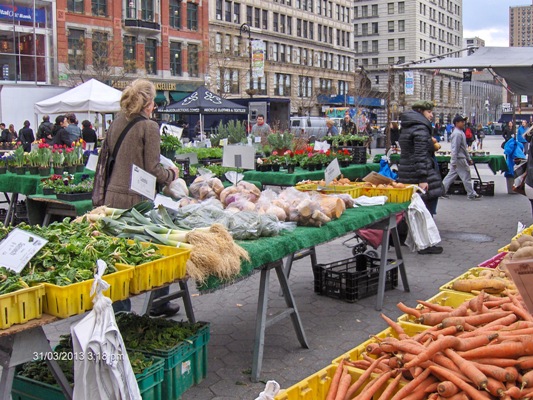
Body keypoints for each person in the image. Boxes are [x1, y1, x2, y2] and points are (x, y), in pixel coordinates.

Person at [101, 78, 181, 317]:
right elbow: (153, 169)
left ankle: (120, 311)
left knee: (117, 256)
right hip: (137, 200)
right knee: (160, 246)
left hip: (112, 196)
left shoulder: (116, 122)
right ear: (148, 103)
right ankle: (159, 301)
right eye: (154, 101)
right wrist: (172, 174)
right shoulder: (149, 127)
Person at [397, 100, 444, 255]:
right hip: (419, 173)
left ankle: (400, 237)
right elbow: (421, 154)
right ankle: (425, 244)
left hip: (407, 172)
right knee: (425, 210)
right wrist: (423, 178)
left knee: (411, 208)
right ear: (420, 111)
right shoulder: (420, 128)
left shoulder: (407, 126)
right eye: (429, 112)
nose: (431, 115)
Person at [442, 115, 482, 201]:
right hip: (459, 159)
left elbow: (462, 148)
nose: (463, 123)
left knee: (450, 176)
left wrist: (468, 158)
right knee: (466, 176)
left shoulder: (459, 132)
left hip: (459, 158)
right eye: (462, 122)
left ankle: (441, 191)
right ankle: (471, 194)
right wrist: (454, 160)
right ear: (456, 123)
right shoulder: (457, 134)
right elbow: (455, 148)